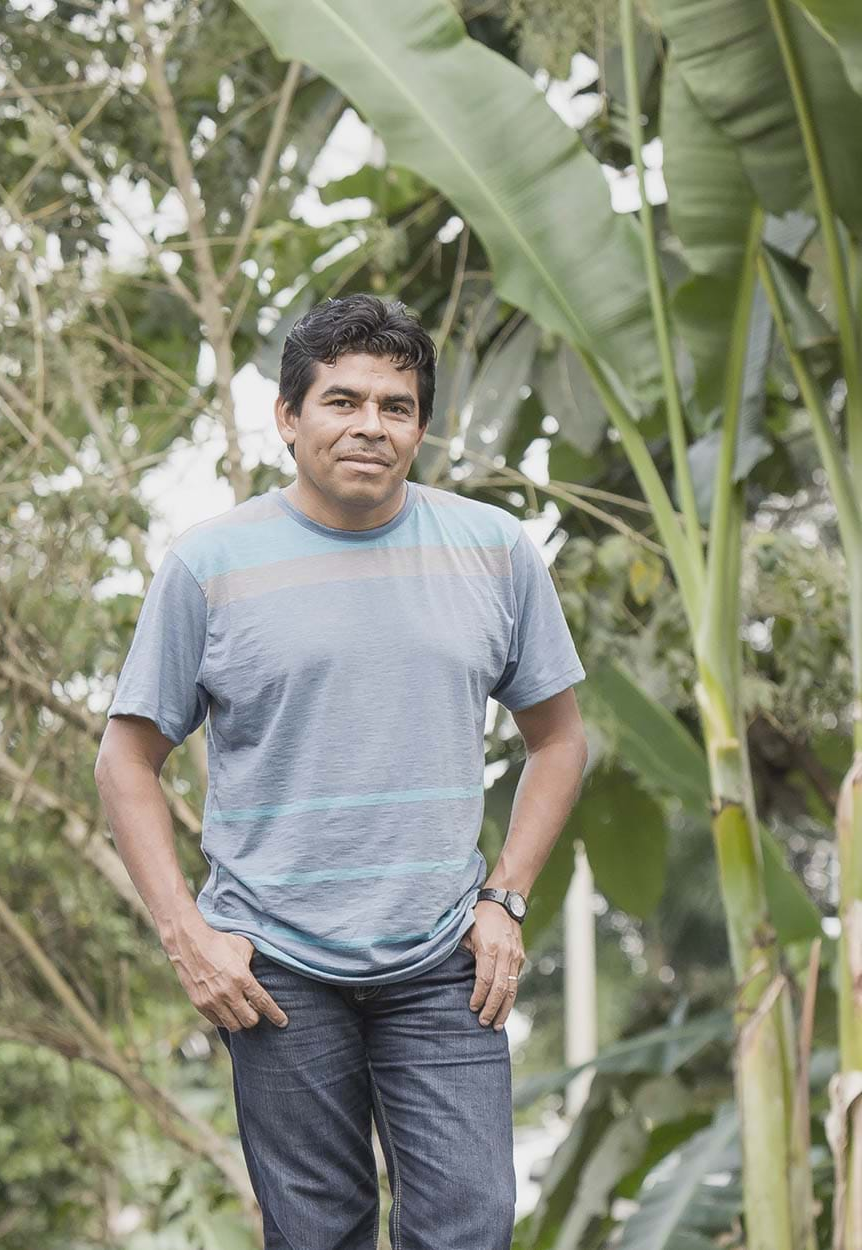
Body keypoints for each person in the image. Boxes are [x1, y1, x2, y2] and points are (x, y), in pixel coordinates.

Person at [94, 293, 589, 1249]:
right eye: (342, 401)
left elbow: (559, 740)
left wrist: (508, 898)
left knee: (471, 1224)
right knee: (317, 1233)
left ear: (421, 426)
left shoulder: (495, 554)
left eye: (395, 406)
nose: (370, 426)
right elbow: (127, 760)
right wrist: (186, 935)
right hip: (272, 967)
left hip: (446, 959)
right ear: (288, 417)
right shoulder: (209, 565)